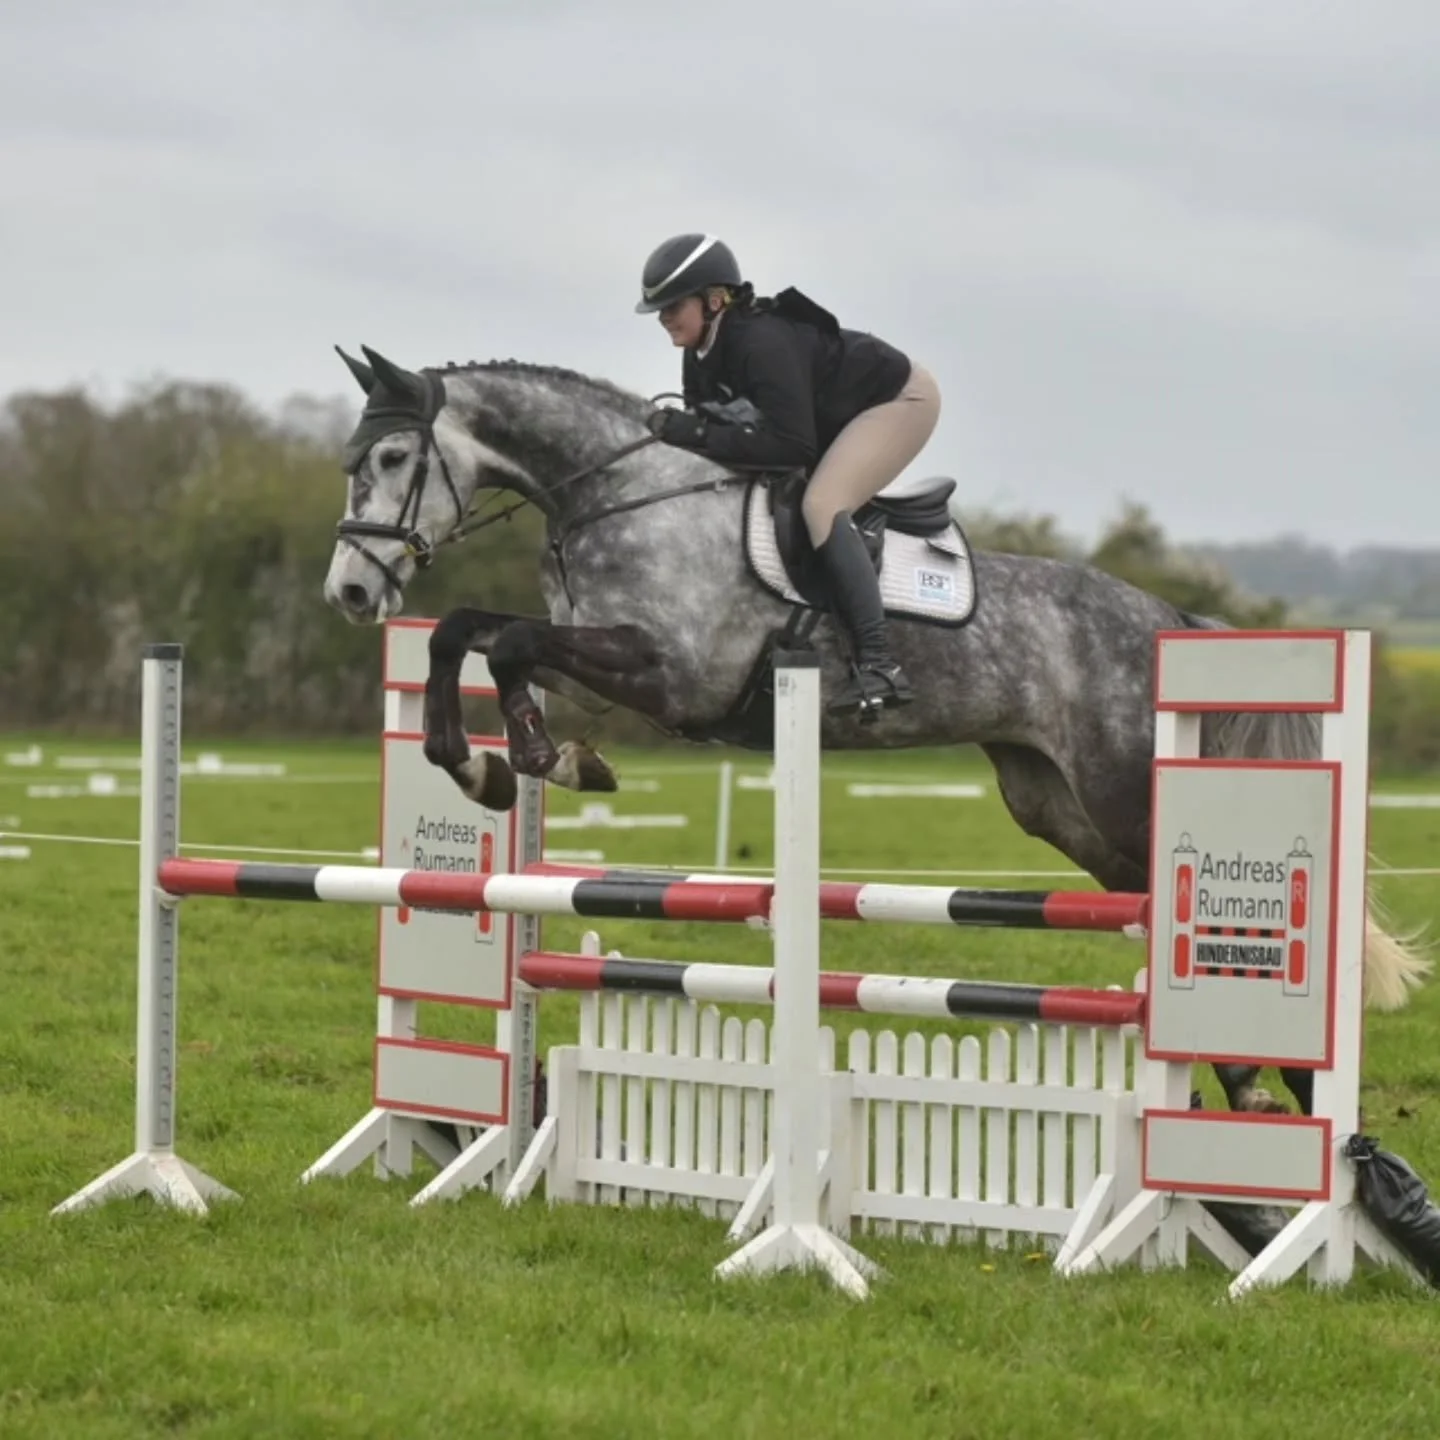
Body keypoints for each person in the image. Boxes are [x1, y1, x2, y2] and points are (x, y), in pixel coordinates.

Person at [634, 232, 941, 719]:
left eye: (673, 306)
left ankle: (880, 664)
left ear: (714, 301)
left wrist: (695, 434)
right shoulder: (698, 353)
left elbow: (791, 447)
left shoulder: (761, 342)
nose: (665, 318)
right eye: (661, 310)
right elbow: (715, 438)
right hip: (831, 419)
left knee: (822, 505)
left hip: (899, 401)